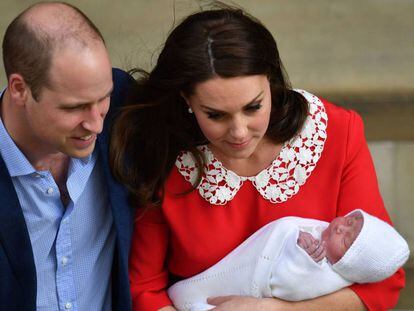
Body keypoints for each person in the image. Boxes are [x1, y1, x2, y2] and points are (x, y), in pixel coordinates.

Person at [111, 7, 406, 311]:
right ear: (187, 100)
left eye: (253, 107)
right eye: (215, 115)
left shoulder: (336, 133)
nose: (239, 132)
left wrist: (282, 310)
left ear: (271, 81)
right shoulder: (166, 149)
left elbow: (383, 282)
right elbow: (144, 288)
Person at [0, 2, 133, 310]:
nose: (96, 124)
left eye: (103, 98)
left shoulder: (125, 111)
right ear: (19, 89)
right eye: (74, 107)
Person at [167, 209, 410, 310]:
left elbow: (290, 285)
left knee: (199, 298)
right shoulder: (322, 232)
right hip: (218, 269)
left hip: (246, 287)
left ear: (348, 265)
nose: (340, 229)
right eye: (349, 222)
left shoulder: (326, 275)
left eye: (346, 241)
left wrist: (302, 258)